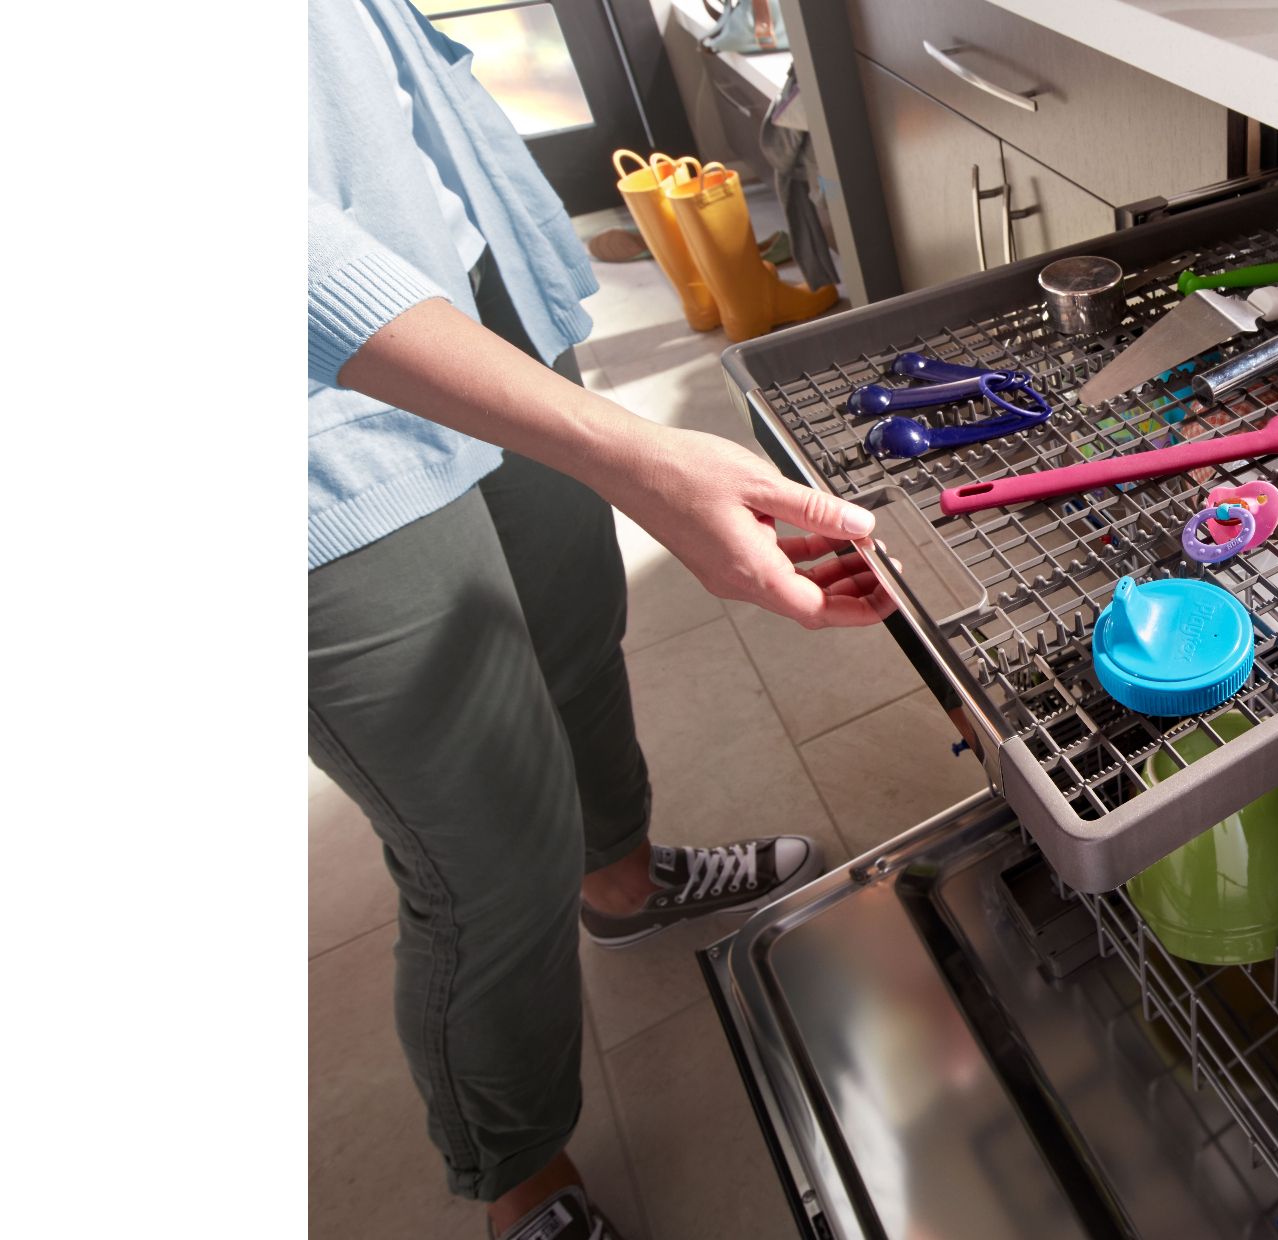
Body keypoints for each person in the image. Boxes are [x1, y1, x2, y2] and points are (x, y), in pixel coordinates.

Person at [307, 3, 889, 1236]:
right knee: (483, 843)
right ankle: (516, 1169)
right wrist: (631, 453)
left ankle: (621, 883)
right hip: (298, 423)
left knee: (573, 627)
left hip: (458, 278)